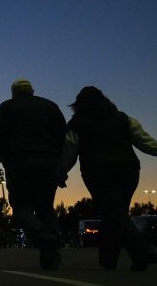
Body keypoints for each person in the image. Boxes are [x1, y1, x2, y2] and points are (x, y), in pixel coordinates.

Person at [58, 86, 157, 271]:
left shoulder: (77, 124)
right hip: (128, 170)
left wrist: (60, 172)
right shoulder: (124, 119)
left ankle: (144, 251)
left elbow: (69, 151)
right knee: (116, 214)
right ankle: (111, 259)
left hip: (98, 172)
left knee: (113, 213)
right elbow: (146, 142)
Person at [0, 79, 66, 269]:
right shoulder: (50, 106)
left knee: (21, 207)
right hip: (48, 162)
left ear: (14, 92)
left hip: (19, 163)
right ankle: (52, 254)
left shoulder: (7, 107)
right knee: (46, 208)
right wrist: (57, 159)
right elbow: (61, 134)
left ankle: (41, 235)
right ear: (32, 91)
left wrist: (5, 158)